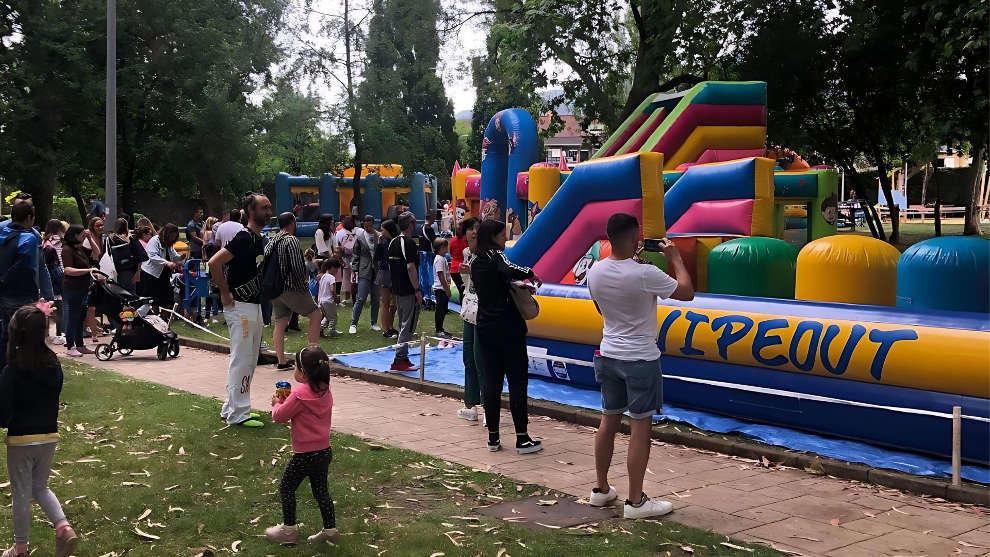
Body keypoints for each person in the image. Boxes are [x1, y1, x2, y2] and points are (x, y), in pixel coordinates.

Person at [586, 214, 694, 519]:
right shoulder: (646, 273)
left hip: (608, 353)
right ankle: (635, 501)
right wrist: (676, 258)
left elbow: (600, 309)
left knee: (608, 419)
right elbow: (687, 291)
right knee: (640, 426)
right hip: (640, 358)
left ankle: (601, 489)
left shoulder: (595, 271)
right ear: (636, 241)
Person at [0, 305, 79, 557]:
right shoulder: (53, 364)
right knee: (40, 486)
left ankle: (20, 548)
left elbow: (3, 414)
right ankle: (63, 527)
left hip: (21, 440)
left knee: (21, 494)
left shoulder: (11, 371)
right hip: (48, 436)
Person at [472, 219, 543, 454]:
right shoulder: (496, 256)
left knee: (491, 383)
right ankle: (522, 438)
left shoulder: (476, 261)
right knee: (517, 383)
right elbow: (506, 268)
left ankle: (493, 437)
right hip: (508, 328)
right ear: (493, 236)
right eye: (502, 234)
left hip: (484, 327)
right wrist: (530, 273)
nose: (505, 238)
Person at [208, 193, 272, 428]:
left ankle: (233, 407)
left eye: (269, 207)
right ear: (249, 210)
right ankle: (238, 413)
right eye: (263, 208)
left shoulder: (258, 239)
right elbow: (214, 262)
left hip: (253, 305)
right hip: (241, 307)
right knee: (242, 359)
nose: (268, 211)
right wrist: (224, 292)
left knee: (249, 359)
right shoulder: (243, 237)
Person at [266, 345, 338, 545]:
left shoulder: (299, 394)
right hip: (324, 451)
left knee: (286, 488)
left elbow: (280, 416)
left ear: (304, 373)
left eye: (296, 367)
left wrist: (277, 403)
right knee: (321, 491)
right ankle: (330, 531)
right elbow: (306, 408)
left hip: (304, 454)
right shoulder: (325, 390)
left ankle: (288, 531)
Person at [0, 201, 54, 367]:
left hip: (3, 294)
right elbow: (25, 268)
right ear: (29, 218)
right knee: (25, 334)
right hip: (21, 295)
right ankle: (20, 369)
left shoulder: (2, 233)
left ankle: (5, 368)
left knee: (5, 333)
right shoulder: (29, 238)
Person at [267, 212, 323, 370]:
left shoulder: (272, 240)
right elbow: (298, 267)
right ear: (292, 222)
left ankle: (281, 361)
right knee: (316, 314)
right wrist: (303, 286)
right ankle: (312, 356)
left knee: (280, 322)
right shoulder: (291, 240)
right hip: (291, 287)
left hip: (274, 289)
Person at [456, 218, 484, 423]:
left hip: (483, 311)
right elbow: (467, 285)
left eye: (477, 229)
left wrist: (472, 272)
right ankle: (471, 404)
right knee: (468, 356)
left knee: (481, 357)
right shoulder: (466, 254)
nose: (473, 232)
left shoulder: (488, 255)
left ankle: (488, 407)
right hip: (468, 309)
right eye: (470, 229)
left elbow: (486, 282)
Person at [387, 212, 422, 372]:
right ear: (410, 225)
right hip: (408, 289)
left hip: (397, 289)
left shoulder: (392, 242)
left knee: (403, 323)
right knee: (407, 326)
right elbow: (410, 267)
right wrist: (417, 289)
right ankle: (399, 360)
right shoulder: (408, 243)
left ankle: (403, 357)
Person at [60, 226, 97, 357]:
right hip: (72, 288)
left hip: (83, 288)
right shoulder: (67, 249)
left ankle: (80, 345)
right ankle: (70, 346)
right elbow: (68, 270)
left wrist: (90, 238)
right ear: (74, 235)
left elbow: (96, 253)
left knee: (80, 317)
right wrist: (89, 271)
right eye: (81, 234)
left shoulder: (79, 248)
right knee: (73, 317)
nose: (83, 235)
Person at [349, 215, 380, 334]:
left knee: (376, 298)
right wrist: (354, 269)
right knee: (360, 298)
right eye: (365, 226)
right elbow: (355, 254)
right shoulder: (360, 237)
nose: (367, 228)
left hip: (377, 270)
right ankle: (353, 323)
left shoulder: (379, 235)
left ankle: (374, 322)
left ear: (373, 223)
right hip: (364, 269)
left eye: (369, 225)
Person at [139, 224, 181, 308]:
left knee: (166, 300)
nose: (173, 238)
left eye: (175, 236)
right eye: (172, 236)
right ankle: (153, 318)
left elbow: (174, 255)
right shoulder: (155, 240)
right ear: (166, 234)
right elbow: (152, 256)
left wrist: (181, 259)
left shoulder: (169, 244)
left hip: (163, 275)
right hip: (151, 275)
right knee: (152, 300)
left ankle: (164, 318)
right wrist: (167, 263)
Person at [42, 220, 67, 344]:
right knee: (59, 306)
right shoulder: (59, 241)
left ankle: (46, 334)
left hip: (46, 276)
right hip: (58, 274)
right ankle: (59, 333)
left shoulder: (44, 241)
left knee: (45, 306)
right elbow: (60, 259)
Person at [377, 220, 399, 338]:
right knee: (385, 302)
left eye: (382, 229)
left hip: (394, 272)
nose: (381, 232)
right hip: (385, 272)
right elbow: (378, 257)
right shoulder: (383, 242)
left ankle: (390, 326)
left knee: (394, 302)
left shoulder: (396, 241)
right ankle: (385, 329)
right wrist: (379, 244)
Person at [335, 216, 358, 304]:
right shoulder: (354, 232)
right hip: (353, 258)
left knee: (346, 278)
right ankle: (353, 297)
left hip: (343, 258)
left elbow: (337, 245)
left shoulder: (339, 232)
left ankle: (347, 297)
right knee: (353, 278)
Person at [432, 237, 451, 338]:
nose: (447, 249)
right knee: (440, 309)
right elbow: (440, 275)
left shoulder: (442, 258)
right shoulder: (439, 259)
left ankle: (440, 328)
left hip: (443, 287)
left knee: (443, 309)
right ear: (439, 248)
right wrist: (447, 289)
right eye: (445, 247)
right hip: (440, 288)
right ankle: (438, 329)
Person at [317, 259, 342, 337]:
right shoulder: (331, 277)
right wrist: (336, 297)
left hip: (322, 300)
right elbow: (332, 290)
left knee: (328, 316)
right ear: (331, 267)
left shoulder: (323, 276)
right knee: (333, 317)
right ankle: (332, 330)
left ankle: (320, 328)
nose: (337, 271)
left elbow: (320, 289)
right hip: (329, 301)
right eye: (336, 269)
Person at [449, 219, 470, 296]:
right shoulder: (467, 241)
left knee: (461, 292)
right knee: (465, 292)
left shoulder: (452, 240)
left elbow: (451, 253)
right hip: (463, 269)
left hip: (453, 270)